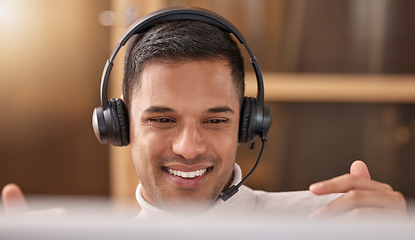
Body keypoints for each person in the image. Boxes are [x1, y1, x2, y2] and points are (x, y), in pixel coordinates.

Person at [1, 9, 407, 220]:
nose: (189, 148)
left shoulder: (325, 222)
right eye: (162, 120)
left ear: (249, 123)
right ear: (119, 125)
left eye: (215, 120)